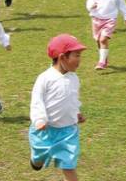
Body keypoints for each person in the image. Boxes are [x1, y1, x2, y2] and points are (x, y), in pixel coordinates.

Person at [29, 34, 87, 178]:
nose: (79, 60)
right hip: (45, 130)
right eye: (76, 55)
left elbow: (73, 98)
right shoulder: (45, 78)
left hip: (68, 131)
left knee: (68, 165)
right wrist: (40, 120)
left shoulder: (74, 78)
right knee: (38, 159)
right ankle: (36, 160)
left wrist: (76, 113)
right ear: (62, 58)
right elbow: (37, 101)